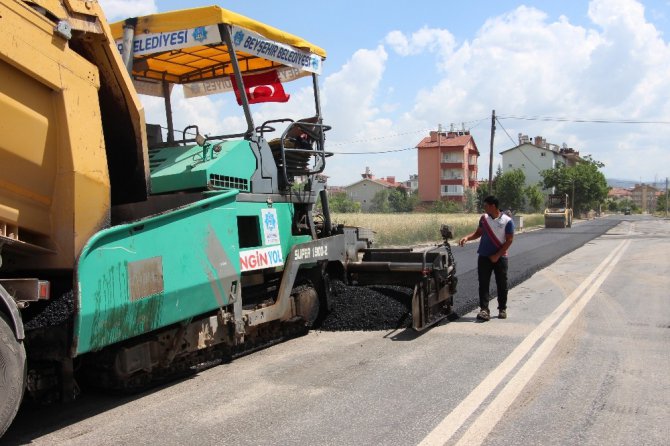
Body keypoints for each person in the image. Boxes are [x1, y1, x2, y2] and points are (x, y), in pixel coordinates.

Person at [458, 195, 514, 321]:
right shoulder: (484, 219)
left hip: (500, 257)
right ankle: (484, 310)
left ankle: (502, 308)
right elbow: (478, 233)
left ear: (493, 206)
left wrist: (497, 255)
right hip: (484, 256)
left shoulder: (507, 221)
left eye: (486, 205)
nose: (484, 208)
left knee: (502, 283)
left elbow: (509, 240)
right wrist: (467, 237)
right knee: (483, 283)